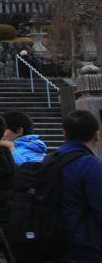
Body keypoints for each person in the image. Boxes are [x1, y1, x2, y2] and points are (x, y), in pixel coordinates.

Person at [56, 109, 102, 262]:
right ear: (98, 135)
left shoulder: (51, 160)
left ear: (65, 134)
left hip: (55, 240)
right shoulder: (90, 164)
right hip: (86, 246)